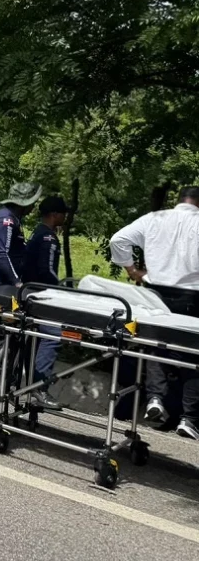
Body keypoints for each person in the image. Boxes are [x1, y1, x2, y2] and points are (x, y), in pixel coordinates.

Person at [110, 187, 199, 439]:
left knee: (154, 346)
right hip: (192, 297)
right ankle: (189, 418)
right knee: (193, 355)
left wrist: (131, 270)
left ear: (178, 200)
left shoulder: (155, 219)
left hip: (155, 292)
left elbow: (118, 239)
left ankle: (155, 399)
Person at [0, 182, 42, 374]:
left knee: (2, 328)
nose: (35, 206)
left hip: (3, 282)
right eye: (33, 201)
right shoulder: (5, 220)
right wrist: (17, 282)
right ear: (24, 203)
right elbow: (1, 254)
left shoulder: (14, 219)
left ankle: (2, 373)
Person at [20, 195, 70, 411]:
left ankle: (27, 381)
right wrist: (59, 290)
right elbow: (47, 270)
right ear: (54, 214)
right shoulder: (48, 238)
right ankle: (39, 387)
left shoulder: (36, 233)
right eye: (63, 213)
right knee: (52, 335)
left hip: (28, 291)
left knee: (34, 339)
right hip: (41, 294)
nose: (65, 216)